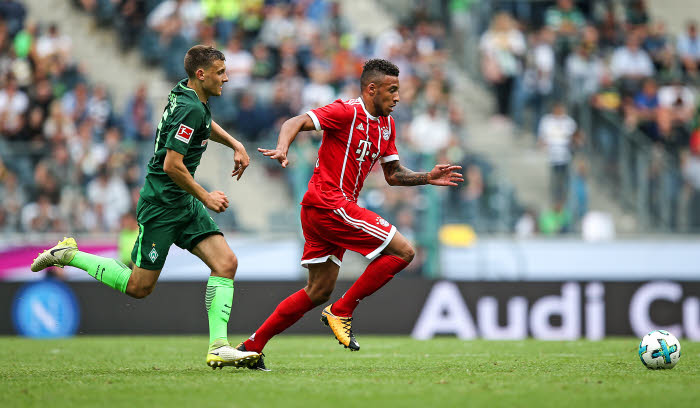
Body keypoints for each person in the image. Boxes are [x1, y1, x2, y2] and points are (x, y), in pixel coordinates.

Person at [30, 45, 260, 370]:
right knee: (139, 287)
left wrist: (235, 143)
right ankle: (69, 255)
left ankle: (219, 346)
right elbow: (171, 164)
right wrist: (206, 196)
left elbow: (204, 123)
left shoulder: (188, 94)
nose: (226, 78)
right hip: (162, 205)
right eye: (220, 72)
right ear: (201, 74)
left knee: (226, 263)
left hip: (182, 201)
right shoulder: (190, 108)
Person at [235, 59, 464, 371]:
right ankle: (341, 310)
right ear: (371, 89)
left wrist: (427, 177)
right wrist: (283, 147)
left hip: (325, 209)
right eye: (392, 90)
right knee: (404, 251)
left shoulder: (387, 125)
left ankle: (251, 347)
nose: (398, 97)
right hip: (329, 203)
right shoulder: (346, 112)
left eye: (399, 90)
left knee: (318, 291)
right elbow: (294, 122)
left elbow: (393, 174)